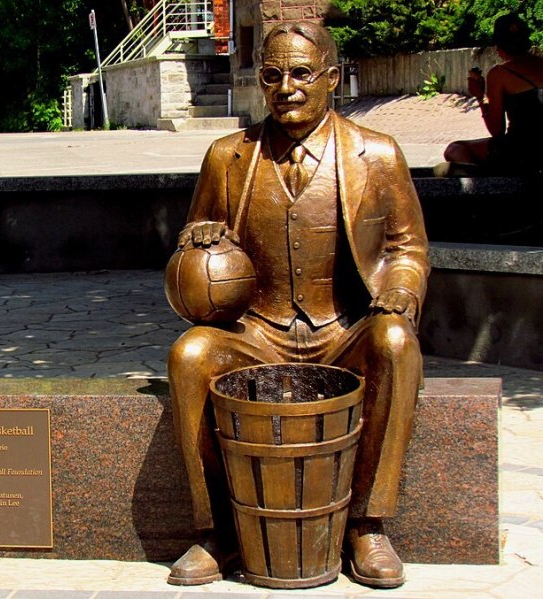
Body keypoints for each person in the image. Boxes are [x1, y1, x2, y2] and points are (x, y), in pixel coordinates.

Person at [166, 21, 429, 589]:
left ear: (332, 79)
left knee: (396, 341)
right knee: (190, 355)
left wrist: (402, 290)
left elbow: (408, 249)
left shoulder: (377, 153)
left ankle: (368, 526)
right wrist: (200, 240)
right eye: (271, 75)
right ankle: (216, 532)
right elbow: (193, 234)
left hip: (342, 328)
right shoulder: (227, 157)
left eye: (302, 73)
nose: (286, 86)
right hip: (256, 330)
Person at [443, 13, 543, 175]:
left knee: (455, 148)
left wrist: (480, 96)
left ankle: (484, 185)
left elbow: (497, 131)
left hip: (521, 151)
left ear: (499, 46)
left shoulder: (499, 74)